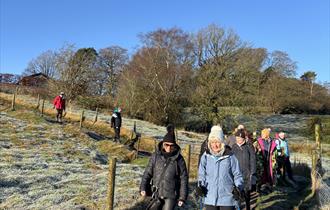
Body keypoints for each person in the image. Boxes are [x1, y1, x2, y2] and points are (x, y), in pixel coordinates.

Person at [140, 125, 188, 210]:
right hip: (156, 193)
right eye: (166, 145)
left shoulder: (179, 159)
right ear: (162, 144)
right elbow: (147, 173)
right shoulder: (155, 156)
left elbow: (183, 178)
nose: (168, 148)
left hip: (171, 196)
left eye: (171, 145)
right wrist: (143, 187)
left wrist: (182, 197)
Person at [197, 125, 244, 210]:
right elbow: (201, 174)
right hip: (209, 197)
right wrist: (201, 186)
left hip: (227, 198)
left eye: (217, 142)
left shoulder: (230, 156)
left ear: (222, 142)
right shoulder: (206, 156)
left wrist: (238, 187)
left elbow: (237, 174)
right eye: (212, 142)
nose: (215, 145)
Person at [231, 129, 256, 210]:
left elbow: (253, 159)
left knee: (247, 193)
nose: (238, 140)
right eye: (237, 138)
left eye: (240, 138)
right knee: (237, 192)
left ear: (243, 138)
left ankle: (248, 207)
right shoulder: (234, 147)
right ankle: (238, 208)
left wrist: (253, 171)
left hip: (247, 173)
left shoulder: (248, 146)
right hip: (236, 174)